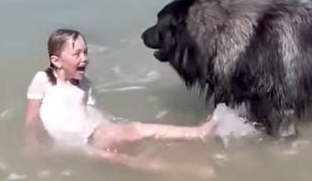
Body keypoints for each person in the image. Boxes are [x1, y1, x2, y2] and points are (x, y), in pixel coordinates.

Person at [24, 28, 218, 176]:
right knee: (131, 151)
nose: (85, 58)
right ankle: (192, 150)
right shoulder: (43, 79)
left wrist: (112, 125)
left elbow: (90, 110)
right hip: (77, 144)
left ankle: (194, 170)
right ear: (56, 61)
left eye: (86, 52)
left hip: (94, 134)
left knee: (137, 149)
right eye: (77, 54)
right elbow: (32, 118)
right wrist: (33, 143)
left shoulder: (85, 84)